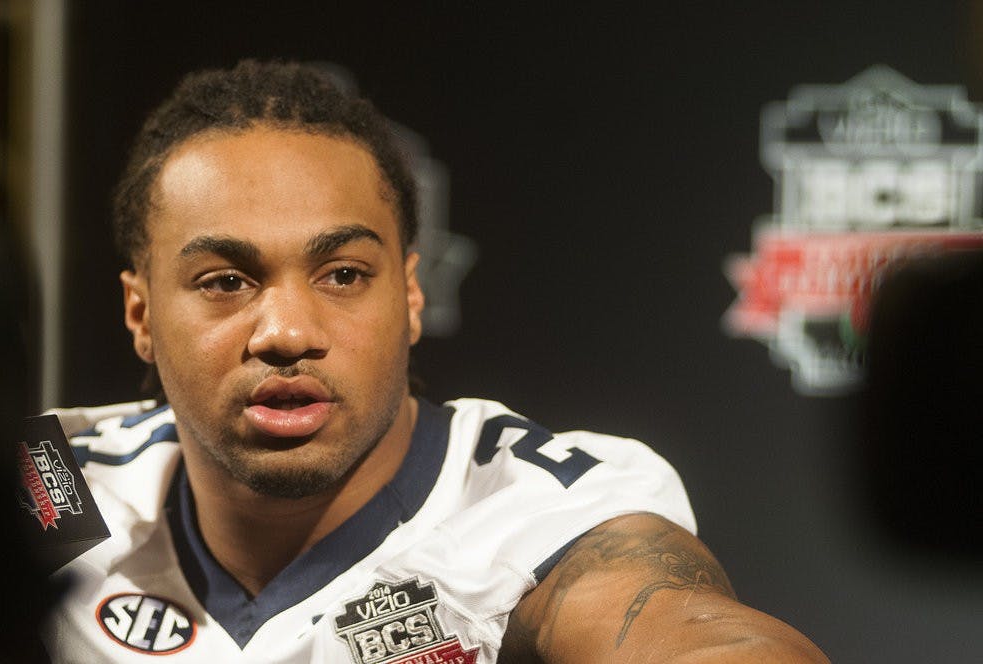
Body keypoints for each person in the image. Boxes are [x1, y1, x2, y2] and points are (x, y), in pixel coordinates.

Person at [44, 60, 828, 663]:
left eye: (343, 275)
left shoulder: (538, 511)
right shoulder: (55, 484)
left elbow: (690, 633)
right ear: (140, 313)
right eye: (225, 282)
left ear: (411, 297)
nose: (284, 331)